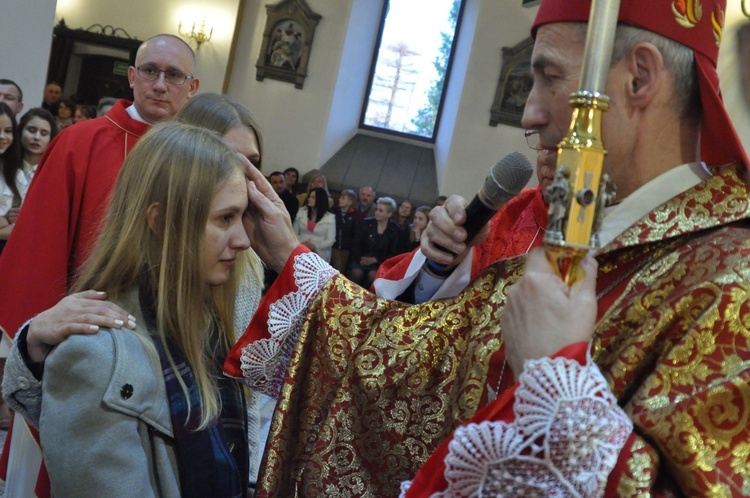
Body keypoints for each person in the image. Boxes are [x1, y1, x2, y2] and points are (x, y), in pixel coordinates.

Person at [220, 0, 750, 496]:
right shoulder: (567, 247)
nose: (529, 114)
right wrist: (289, 255)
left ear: (639, 77)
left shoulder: (731, 286)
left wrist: (556, 385)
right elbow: (405, 367)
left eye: (549, 78)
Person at [0, 33, 199, 497]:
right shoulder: (80, 143)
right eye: (150, 71)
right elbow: (38, 249)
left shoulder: (195, 160)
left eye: (174, 76)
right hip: (78, 347)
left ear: (192, 88)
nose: (160, 83)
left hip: (160, 354)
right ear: (132, 77)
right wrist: (41, 345)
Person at [37, 121, 261, 497]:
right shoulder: (94, 357)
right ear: (159, 222)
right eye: (225, 219)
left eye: (242, 217)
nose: (243, 240)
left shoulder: (207, 325)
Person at [374, 147, 552, 301]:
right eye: (544, 141)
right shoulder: (508, 210)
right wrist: (445, 263)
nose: (546, 157)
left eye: (563, 144)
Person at [347, 196, 401, 288]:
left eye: (381, 210)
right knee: (356, 273)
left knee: (373, 276)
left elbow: (393, 253)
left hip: (380, 262)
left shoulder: (395, 230)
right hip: (361, 258)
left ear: (389, 214)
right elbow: (356, 244)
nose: (376, 212)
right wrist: (362, 258)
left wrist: (376, 259)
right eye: (376, 209)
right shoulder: (366, 223)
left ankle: (368, 298)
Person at [293, 186, 335, 262]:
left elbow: (330, 240)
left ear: (320, 200)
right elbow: (294, 232)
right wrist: (302, 244)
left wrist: (315, 246)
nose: (309, 199)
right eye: (309, 197)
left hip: (320, 251)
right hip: (300, 246)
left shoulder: (330, 218)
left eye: (312, 197)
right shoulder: (301, 212)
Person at [330, 189, 357, 273]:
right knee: (338, 267)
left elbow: (355, 233)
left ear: (350, 202)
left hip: (346, 247)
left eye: (343, 198)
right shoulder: (334, 211)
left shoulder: (354, 216)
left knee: (342, 268)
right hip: (334, 244)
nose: (340, 199)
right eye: (340, 197)